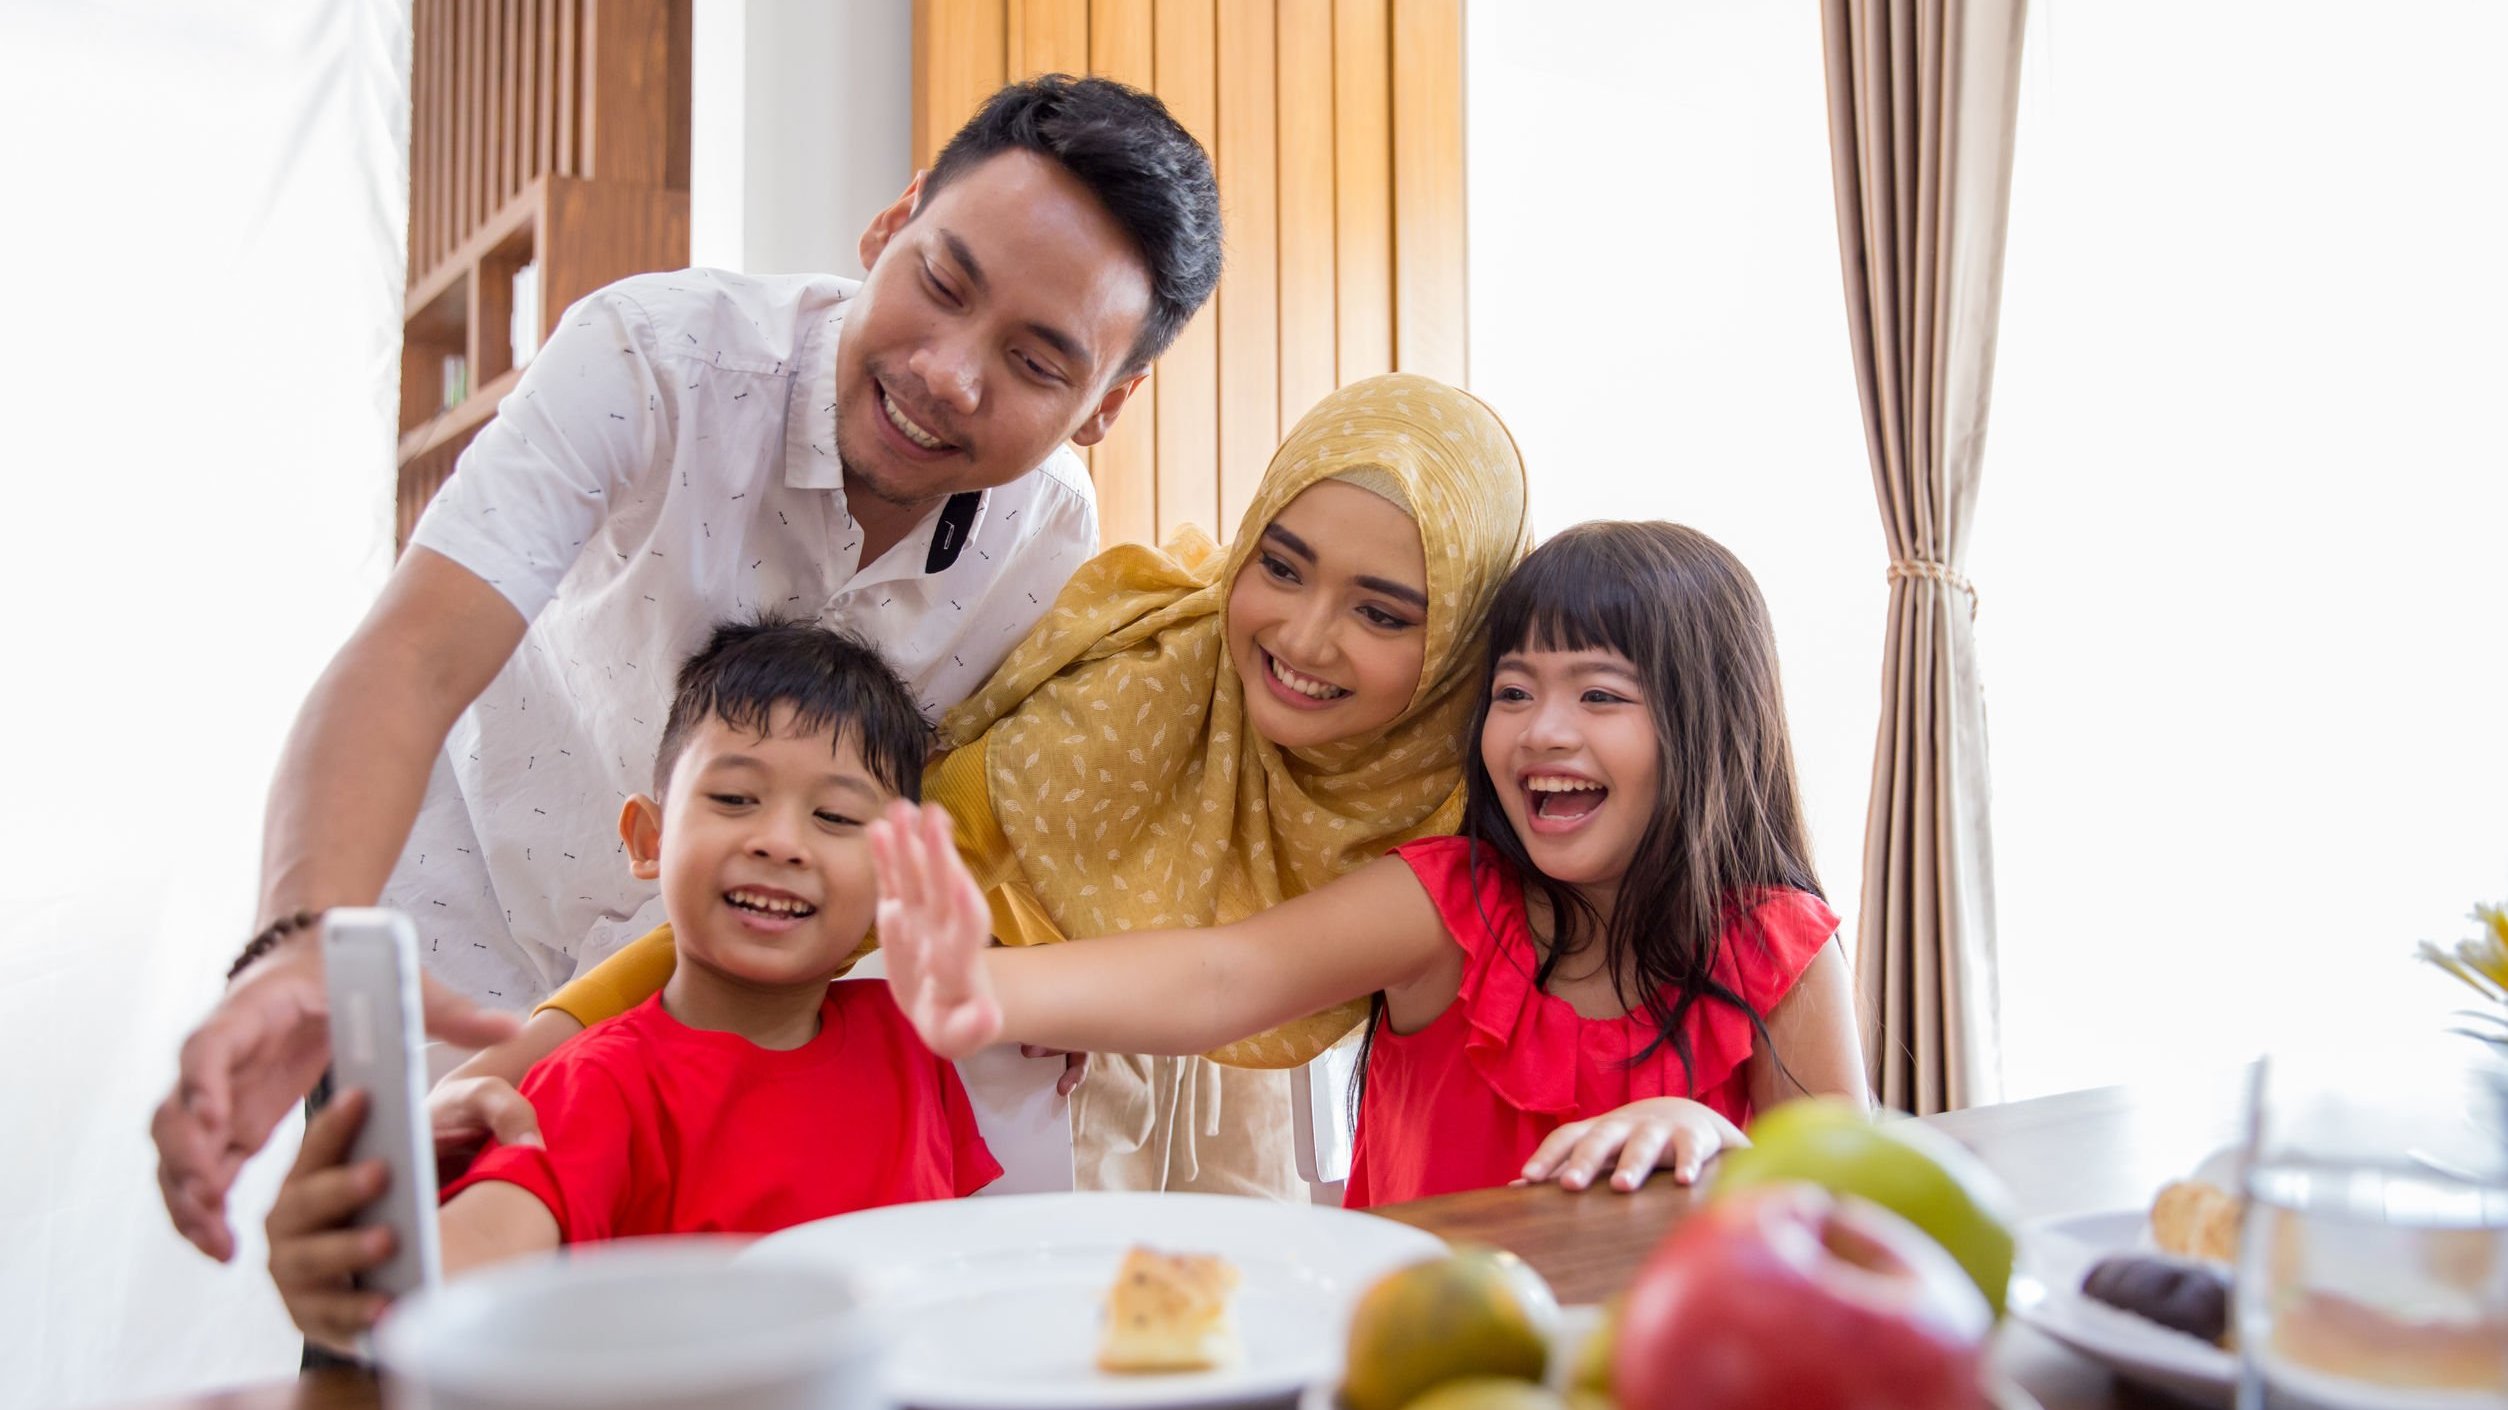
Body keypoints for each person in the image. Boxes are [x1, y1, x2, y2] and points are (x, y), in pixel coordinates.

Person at [157, 74, 1221, 1260]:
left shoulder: (1055, 551)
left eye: (1035, 363)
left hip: (719, 1046)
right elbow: (409, 656)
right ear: (892, 221)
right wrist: (297, 939)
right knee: (398, 1324)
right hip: (464, 969)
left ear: (1106, 404)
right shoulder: (652, 356)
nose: (946, 374)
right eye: (940, 281)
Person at [453, 373, 1534, 1200]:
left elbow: (1248, 987)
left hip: (1222, 1124)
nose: (1304, 636)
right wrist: (541, 1044)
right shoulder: (1128, 707)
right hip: (999, 1087)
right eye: (1280, 565)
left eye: (1384, 612)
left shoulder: (1470, 777)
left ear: (1464, 640)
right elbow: (838, 876)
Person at [870, 520, 1871, 1207]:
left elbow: (1852, 1222)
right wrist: (979, 984)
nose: (1541, 734)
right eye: (1514, 693)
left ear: (1708, 728)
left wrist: (1724, 1153)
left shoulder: (1777, 948)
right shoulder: (1451, 906)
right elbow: (1228, 973)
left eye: (1600, 697)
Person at [265, 619, 1000, 1353]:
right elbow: (469, 1259)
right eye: (735, 799)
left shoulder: (910, 1041)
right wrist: (359, 1252)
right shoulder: (597, 1083)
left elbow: (967, 1280)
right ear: (649, 841)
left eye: (835, 816)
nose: (779, 841)